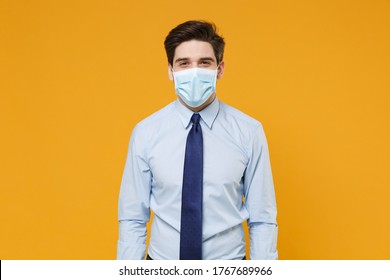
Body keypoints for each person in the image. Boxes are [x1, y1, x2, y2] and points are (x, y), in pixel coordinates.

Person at [117, 20, 278, 260]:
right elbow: (132, 216)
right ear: (170, 71)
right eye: (184, 63)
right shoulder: (146, 132)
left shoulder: (249, 132)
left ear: (220, 69)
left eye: (204, 63)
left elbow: (262, 218)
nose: (194, 71)